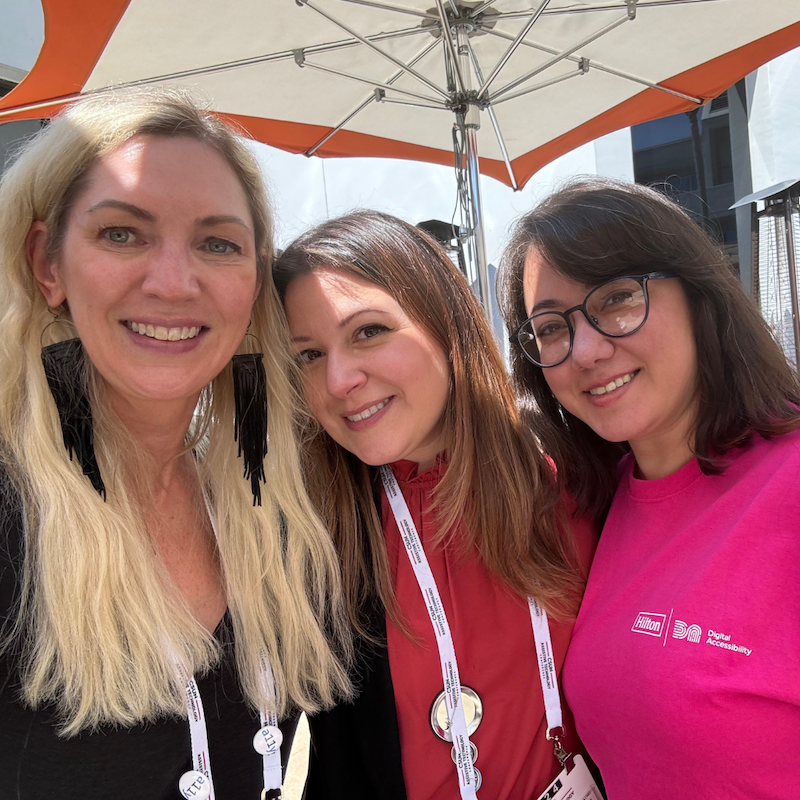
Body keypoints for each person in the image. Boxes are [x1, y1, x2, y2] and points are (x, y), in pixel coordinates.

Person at [0, 88, 352, 800]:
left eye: (217, 243)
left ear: (255, 281)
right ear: (47, 263)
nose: (172, 282)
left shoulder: (268, 516)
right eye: (122, 234)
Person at [273, 211, 597, 800]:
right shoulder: (311, 538)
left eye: (368, 331)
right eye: (308, 356)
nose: (340, 378)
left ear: (445, 321)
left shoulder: (578, 472)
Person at [500, 177, 800, 798]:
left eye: (615, 299)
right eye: (551, 328)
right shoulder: (592, 507)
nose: (584, 350)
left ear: (698, 297)